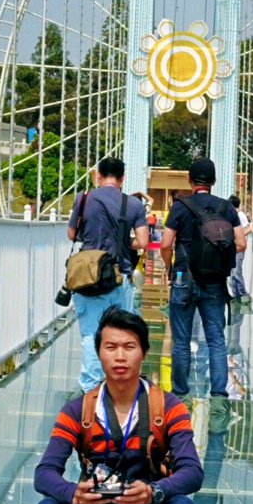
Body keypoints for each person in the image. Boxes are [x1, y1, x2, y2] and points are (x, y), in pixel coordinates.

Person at [33, 308, 202, 504]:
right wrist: (74, 495)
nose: (120, 356)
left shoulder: (169, 407)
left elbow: (192, 472)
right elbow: (44, 474)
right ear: (99, 353)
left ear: (144, 353)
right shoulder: (78, 411)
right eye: (111, 347)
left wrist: (154, 492)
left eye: (129, 347)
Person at [160, 159, 247, 398]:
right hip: (215, 282)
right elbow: (241, 243)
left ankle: (179, 393)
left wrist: (169, 267)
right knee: (216, 340)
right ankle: (219, 394)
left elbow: (166, 244)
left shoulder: (180, 207)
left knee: (181, 340)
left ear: (189, 180)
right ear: (214, 181)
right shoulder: (226, 208)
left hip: (183, 279)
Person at [66, 157, 150, 392]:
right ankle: (120, 386)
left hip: (87, 276)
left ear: (98, 176)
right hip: (119, 277)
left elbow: (72, 233)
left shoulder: (83, 198)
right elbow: (142, 241)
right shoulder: (133, 205)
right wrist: (124, 241)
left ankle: (91, 390)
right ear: (122, 178)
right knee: (122, 336)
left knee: (92, 334)